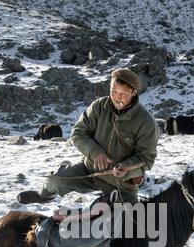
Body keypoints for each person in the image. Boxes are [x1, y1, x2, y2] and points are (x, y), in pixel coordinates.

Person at [17, 68, 159, 205]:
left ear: (134, 93)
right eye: (114, 91)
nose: (117, 97)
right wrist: (95, 152)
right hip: (88, 170)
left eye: (124, 93)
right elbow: (78, 133)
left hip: (122, 183)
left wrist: (126, 168)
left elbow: (146, 159)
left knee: (127, 219)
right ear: (109, 86)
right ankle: (41, 197)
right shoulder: (99, 106)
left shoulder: (146, 121)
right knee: (56, 180)